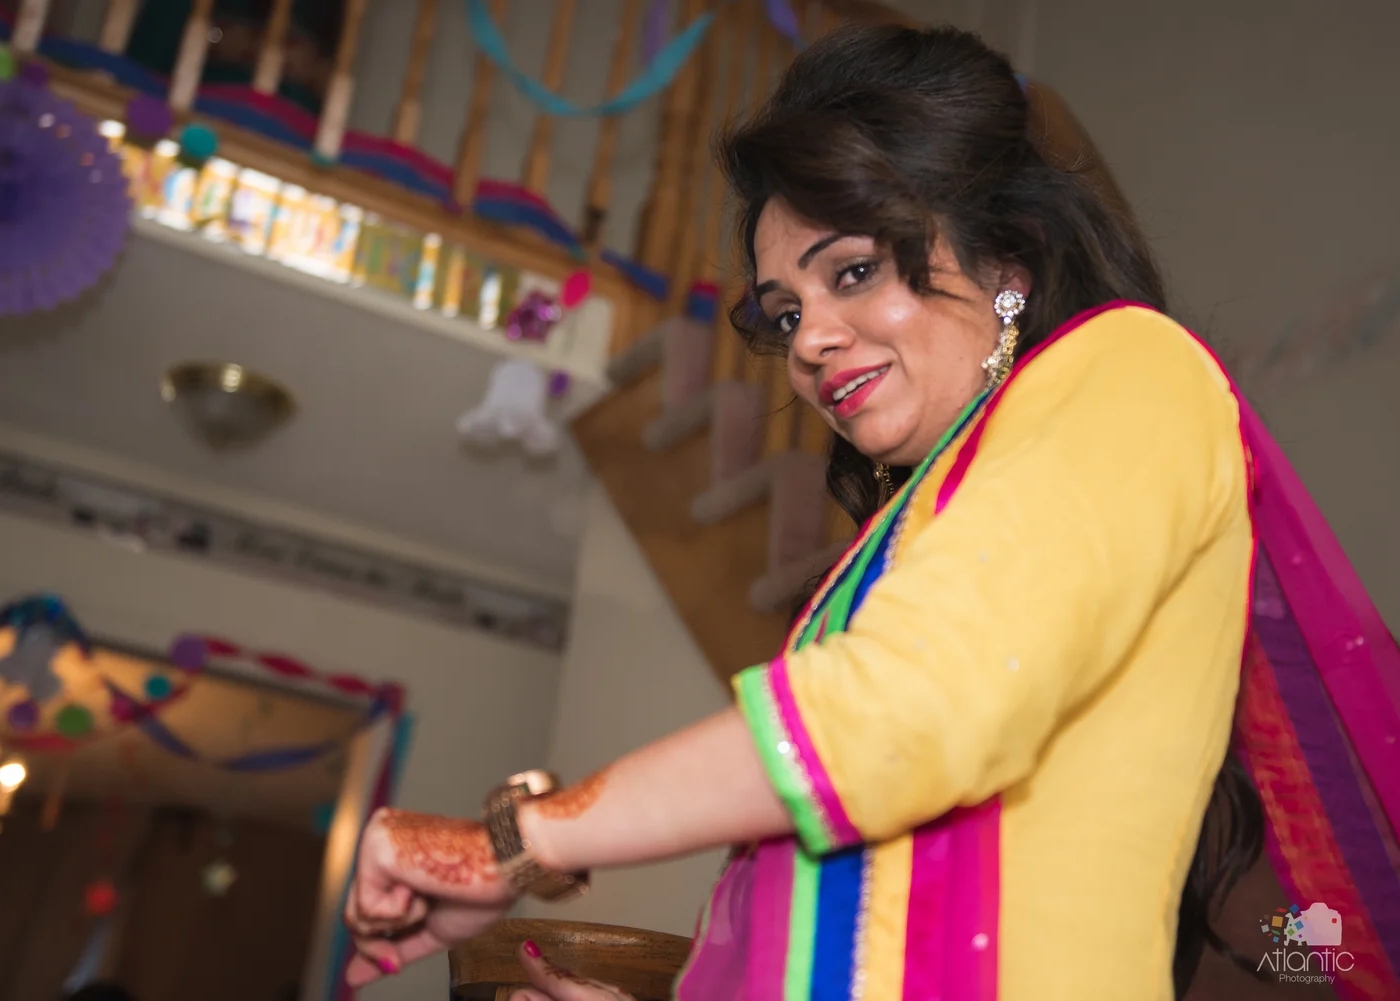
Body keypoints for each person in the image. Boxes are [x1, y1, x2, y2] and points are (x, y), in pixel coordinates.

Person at [343, 24, 1400, 1001]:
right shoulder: (909, 541)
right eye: (786, 314)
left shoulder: (1134, 372)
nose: (808, 340)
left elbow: (901, 715)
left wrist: (517, 839)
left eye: (853, 271)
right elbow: (867, 917)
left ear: (1009, 266)